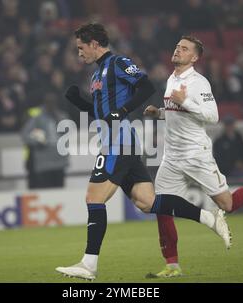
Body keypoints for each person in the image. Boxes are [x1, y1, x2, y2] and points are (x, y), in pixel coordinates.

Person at [55, 23, 232, 281]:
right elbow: (102, 114)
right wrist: (79, 102)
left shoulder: (117, 63)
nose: (79, 53)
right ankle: (209, 219)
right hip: (116, 141)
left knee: (94, 199)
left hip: (119, 142)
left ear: (94, 44)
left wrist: (124, 111)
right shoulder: (95, 76)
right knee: (147, 202)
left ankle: (88, 264)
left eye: (81, 48)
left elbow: (147, 87)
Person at [143, 35, 243, 278]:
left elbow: (212, 116)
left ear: (194, 57)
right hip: (172, 157)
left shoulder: (199, 83)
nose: (178, 50)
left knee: (227, 205)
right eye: (177, 46)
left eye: (184, 48)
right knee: (162, 207)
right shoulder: (171, 79)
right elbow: (176, 114)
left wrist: (186, 101)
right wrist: (158, 113)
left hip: (196, 156)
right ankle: (172, 265)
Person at [20, 92, 69, 189]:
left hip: (59, 161)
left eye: (53, 102)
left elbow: (68, 133)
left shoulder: (62, 116)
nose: (51, 105)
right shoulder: (37, 119)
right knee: (46, 191)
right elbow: (25, 135)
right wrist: (38, 142)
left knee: (60, 191)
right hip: (44, 163)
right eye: (48, 102)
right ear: (44, 103)